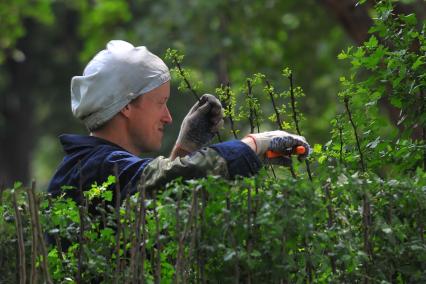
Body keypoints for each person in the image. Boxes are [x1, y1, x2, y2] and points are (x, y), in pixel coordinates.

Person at [47, 40, 311, 205]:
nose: (169, 117)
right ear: (126, 105)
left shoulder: (94, 164)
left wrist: (185, 149)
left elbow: (159, 199)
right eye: (160, 103)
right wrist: (254, 144)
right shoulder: (97, 168)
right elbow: (168, 181)